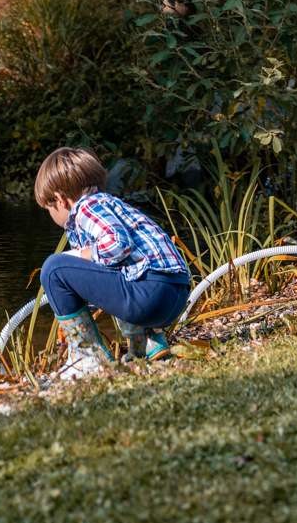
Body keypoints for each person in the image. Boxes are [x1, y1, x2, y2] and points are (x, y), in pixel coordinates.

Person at [36, 147, 190, 376]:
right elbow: (108, 276)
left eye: (48, 208)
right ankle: (147, 343)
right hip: (174, 294)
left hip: (149, 293)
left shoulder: (86, 208)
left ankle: (88, 358)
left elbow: (117, 243)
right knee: (115, 269)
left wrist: (77, 255)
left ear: (59, 200)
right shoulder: (111, 204)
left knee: (53, 269)